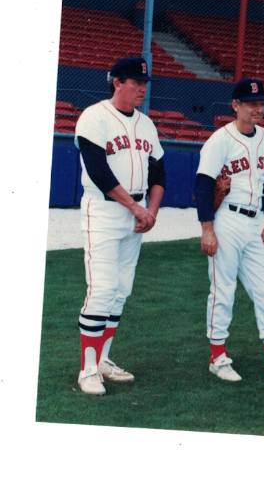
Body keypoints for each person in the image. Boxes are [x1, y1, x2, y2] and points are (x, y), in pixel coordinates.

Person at [194, 78, 264, 382]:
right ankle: (217, 357)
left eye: (261, 104)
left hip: (254, 222)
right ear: (236, 105)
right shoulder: (220, 140)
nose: (258, 109)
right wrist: (207, 230)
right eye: (252, 103)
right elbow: (203, 186)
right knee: (223, 290)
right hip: (226, 220)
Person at [74, 56, 166, 396]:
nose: (143, 87)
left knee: (121, 291)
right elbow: (99, 172)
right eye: (136, 82)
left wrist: (150, 211)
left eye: (145, 83)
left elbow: (158, 172)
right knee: (101, 291)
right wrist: (136, 208)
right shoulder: (94, 117)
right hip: (104, 210)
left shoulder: (146, 124)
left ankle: (102, 360)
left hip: (137, 214)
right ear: (117, 83)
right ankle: (87, 370)